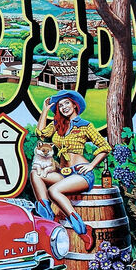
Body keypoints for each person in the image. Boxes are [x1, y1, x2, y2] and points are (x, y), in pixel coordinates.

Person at [30, 90, 109, 245]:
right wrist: (45, 111)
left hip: (81, 174)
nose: (64, 107)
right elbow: (40, 133)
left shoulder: (86, 126)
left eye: (66, 103)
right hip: (64, 174)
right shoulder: (58, 125)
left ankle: (83, 229)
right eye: (60, 105)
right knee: (35, 174)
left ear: (74, 104)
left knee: (54, 190)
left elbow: (105, 146)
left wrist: (91, 165)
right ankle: (48, 220)